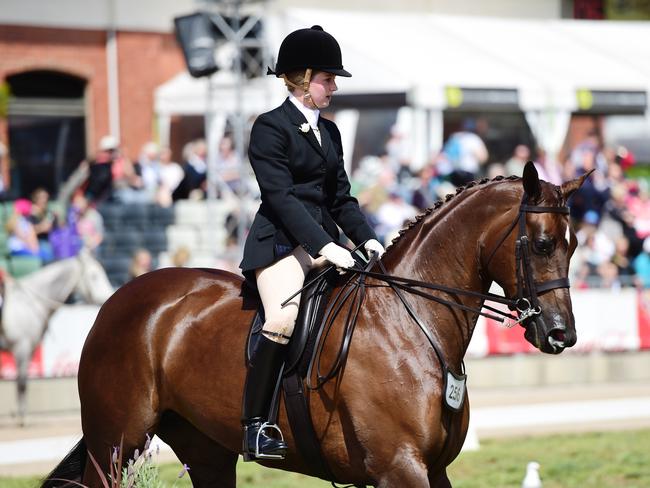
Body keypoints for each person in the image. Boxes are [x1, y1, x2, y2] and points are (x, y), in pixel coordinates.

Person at [238, 25, 385, 460]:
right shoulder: (269, 128)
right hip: (281, 246)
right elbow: (281, 198)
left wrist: (370, 241)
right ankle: (256, 426)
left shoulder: (331, 133)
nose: (334, 88)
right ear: (301, 78)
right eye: (327, 79)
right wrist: (325, 246)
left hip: (327, 245)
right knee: (282, 320)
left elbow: (341, 198)